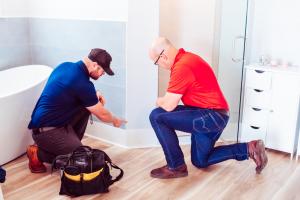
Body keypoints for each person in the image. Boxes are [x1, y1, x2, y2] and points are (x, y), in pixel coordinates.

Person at [148, 37, 268, 179]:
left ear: (163, 56)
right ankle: (249, 148)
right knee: (200, 161)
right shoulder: (189, 58)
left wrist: (158, 100)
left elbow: (168, 105)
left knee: (156, 116)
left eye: (156, 62)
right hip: (216, 116)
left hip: (210, 116)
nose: (159, 65)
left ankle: (176, 166)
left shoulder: (182, 66)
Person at [27, 48, 127, 173]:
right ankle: (38, 153)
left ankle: (69, 146)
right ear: (95, 65)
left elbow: (70, 92)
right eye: (102, 70)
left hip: (45, 126)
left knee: (86, 108)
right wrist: (115, 120)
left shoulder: (65, 66)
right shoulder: (81, 82)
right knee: (84, 161)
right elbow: (102, 114)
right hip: (47, 132)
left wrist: (94, 94)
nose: (102, 74)